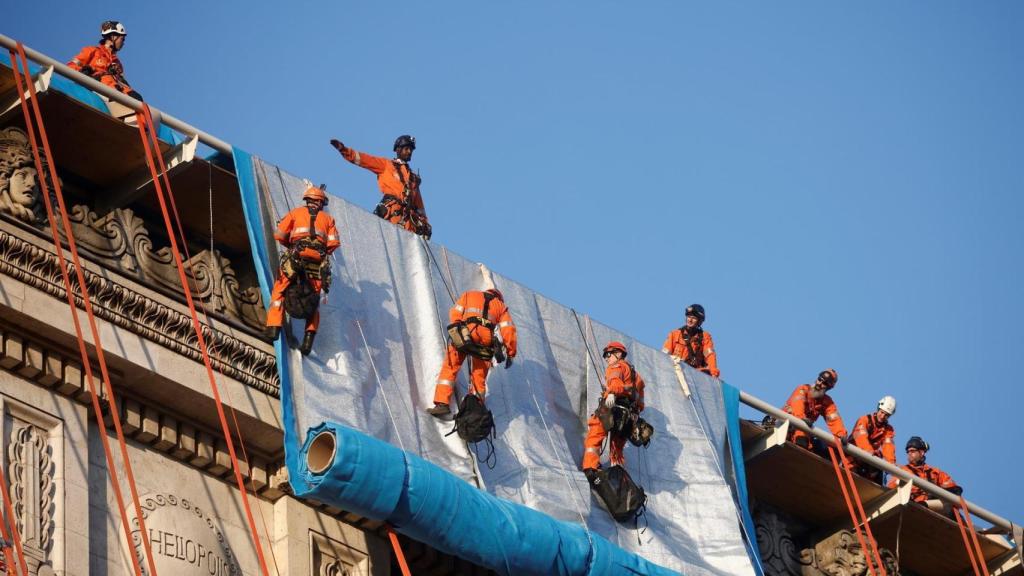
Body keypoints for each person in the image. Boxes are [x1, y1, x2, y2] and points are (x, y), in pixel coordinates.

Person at [265, 185, 340, 355]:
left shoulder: (295, 213)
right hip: (317, 263)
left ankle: (273, 330)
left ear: (307, 200)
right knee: (313, 299)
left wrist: (290, 245)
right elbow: (333, 243)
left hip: (296, 257)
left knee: (279, 290)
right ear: (321, 203)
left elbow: (279, 234)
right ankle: (307, 341)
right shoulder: (329, 220)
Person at [427, 288, 517, 417]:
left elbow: (455, 312)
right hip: (485, 341)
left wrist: (458, 327)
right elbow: (508, 329)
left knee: (451, 366)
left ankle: (442, 404)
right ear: (498, 297)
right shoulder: (501, 306)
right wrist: (511, 353)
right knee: (479, 377)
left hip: (466, 333)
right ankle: (474, 411)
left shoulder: (470, 294)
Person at [329, 135, 431, 238]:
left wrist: (425, 224)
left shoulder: (413, 179)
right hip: (391, 216)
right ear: (398, 149)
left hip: (408, 223)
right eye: (406, 148)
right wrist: (344, 150)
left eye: (411, 150)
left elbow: (419, 206)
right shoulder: (386, 165)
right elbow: (364, 159)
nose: (409, 152)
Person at [581, 342, 647, 477]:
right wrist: (635, 413)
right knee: (617, 446)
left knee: (595, 433)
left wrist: (611, 392)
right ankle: (618, 474)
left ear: (618, 354)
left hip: (613, 408)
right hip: (628, 416)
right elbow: (640, 401)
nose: (606, 358)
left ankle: (590, 467)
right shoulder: (637, 377)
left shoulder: (616, 366)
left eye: (608, 354)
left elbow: (615, 381)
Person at [888, 436, 962, 517]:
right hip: (912, 508)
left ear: (922, 452)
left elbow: (954, 490)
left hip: (933, 509)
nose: (909, 454)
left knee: (951, 505)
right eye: (908, 452)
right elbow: (891, 489)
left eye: (912, 451)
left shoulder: (935, 472)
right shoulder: (902, 472)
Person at [67, 21, 141, 100]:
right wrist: (85, 72)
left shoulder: (117, 64)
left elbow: (123, 84)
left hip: (117, 95)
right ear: (113, 37)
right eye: (122, 39)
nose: (123, 43)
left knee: (137, 97)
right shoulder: (91, 51)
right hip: (98, 92)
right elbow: (70, 67)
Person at [781, 369, 847, 454]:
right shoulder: (803, 389)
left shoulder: (826, 402)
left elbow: (834, 418)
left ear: (829, 387)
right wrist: (801, 418)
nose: (819, 384)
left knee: (824, 447)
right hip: (786, 425)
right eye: (820, 379)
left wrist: (841, 435)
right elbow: (798, 405)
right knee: (801, 432)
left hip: (802, 430)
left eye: (824, 383)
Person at [847, 396, 897, 483]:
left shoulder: (888, 430)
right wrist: (869, 452)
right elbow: (861, 437)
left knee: (878, 470)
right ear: (878, 408)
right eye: (882, 412)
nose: (882, 416)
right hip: (850, 458)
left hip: (866, 462)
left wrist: (891, 463)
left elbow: (888, 446)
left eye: (886, 415)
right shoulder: (865, 420)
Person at [661, 304, 720, 377]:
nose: (690, 320)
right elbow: (664, 354)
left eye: (694, 318)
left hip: (695, 376)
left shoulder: (705, 337)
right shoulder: (674, 334)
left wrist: (713, 372)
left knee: (706, 372)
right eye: (688, 317)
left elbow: (710, 355)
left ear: (699, 321)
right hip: (675, 372)